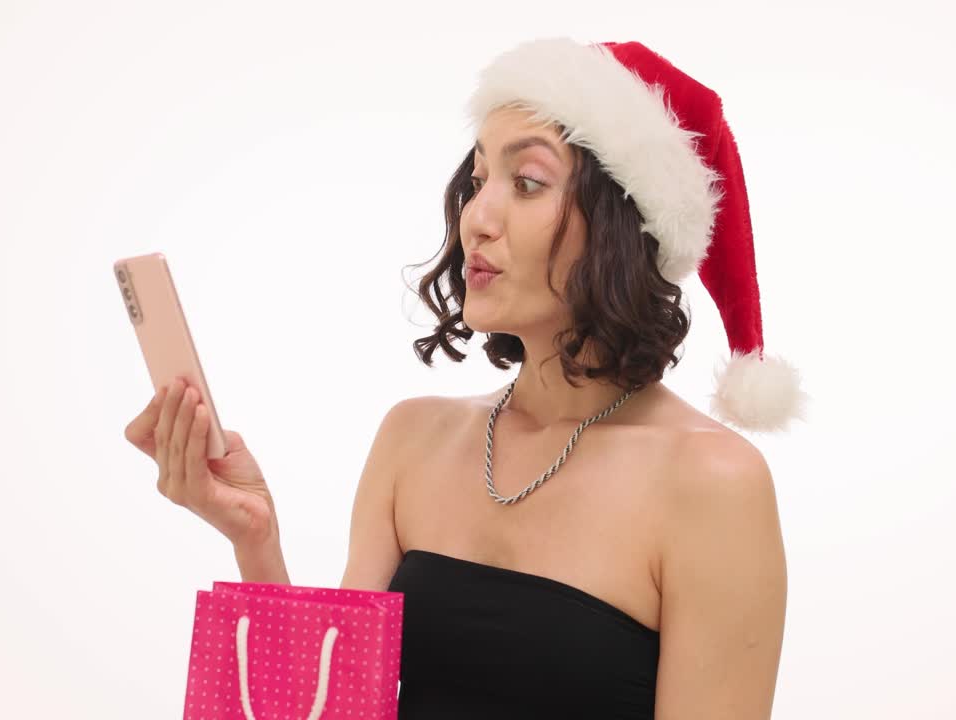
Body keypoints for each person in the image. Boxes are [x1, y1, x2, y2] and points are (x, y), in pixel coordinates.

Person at [125, 37, 809, 720]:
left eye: (528, 182)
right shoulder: (412, 440)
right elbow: (329, 713)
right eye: (479, 180)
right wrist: (255, 539)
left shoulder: (714, 484)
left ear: (624, 226)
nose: (476, 218)